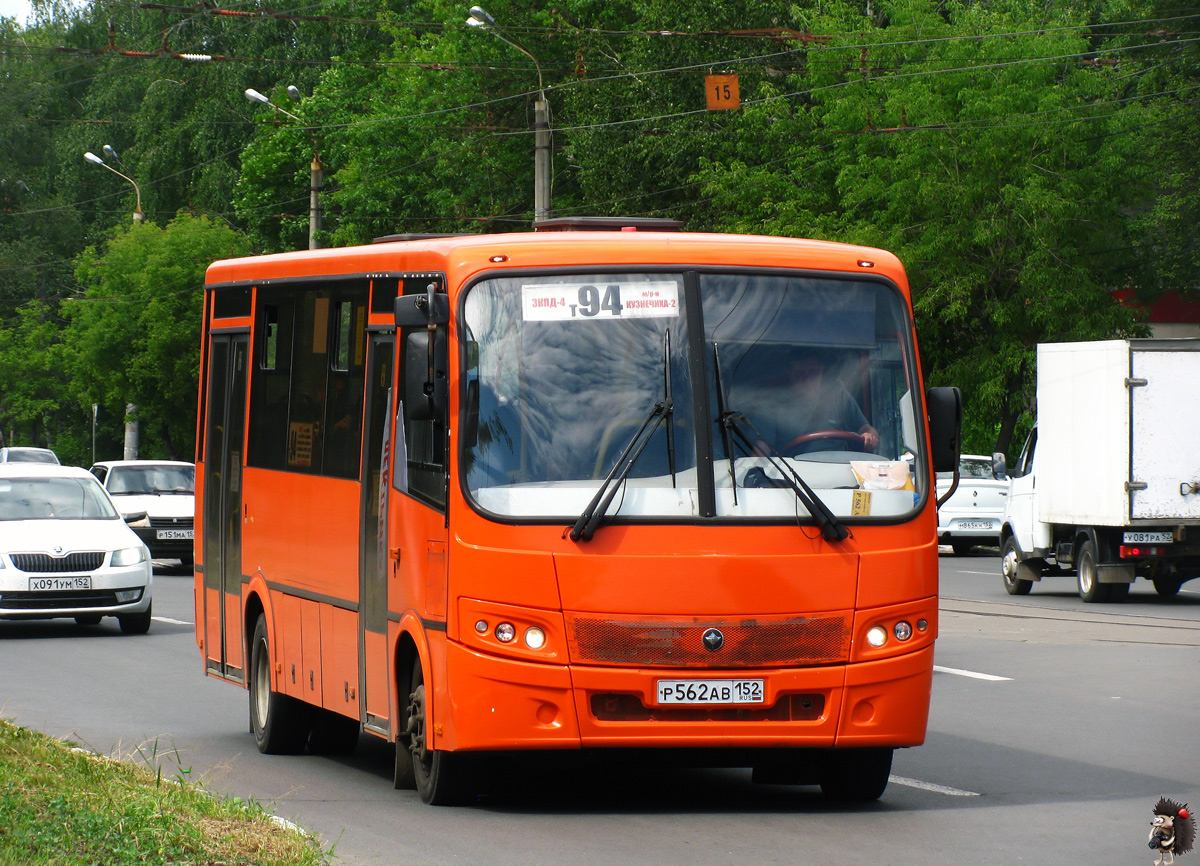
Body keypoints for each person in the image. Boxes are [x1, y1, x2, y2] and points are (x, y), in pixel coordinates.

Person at [750, 348, 879, 455]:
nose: (807, 379)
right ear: (790, 375)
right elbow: (761, 453)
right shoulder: (770, 406)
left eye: (813, 372)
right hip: (792, 479)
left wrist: (869, 436)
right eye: (800, 374)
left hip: (839, 472)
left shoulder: (838, 396)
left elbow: (866, 428)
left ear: (821, 372)